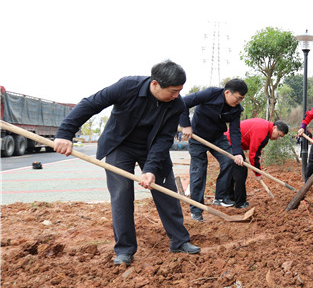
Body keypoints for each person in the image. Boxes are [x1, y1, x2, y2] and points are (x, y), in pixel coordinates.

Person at [53, 60, 200, 265]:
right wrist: (65, 133)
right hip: (120, 145)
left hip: (152, 148)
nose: (177, 95)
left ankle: (179, 240)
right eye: (173, 91)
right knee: (121, 194)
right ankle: (125, 250)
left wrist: (150, 169)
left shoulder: (177, 104)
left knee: (166, 191)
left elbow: (164, 138)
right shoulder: (127, 86)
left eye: (179, 91)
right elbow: (90, 104)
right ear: (155, 84)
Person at [180, 79, 247, 222]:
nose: (239, 101)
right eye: (238, 98)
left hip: (217, 137)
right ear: (227, 92)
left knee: (229, 160)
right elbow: (183, 103)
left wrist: (237, 153)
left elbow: (235, 131)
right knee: (198, 172)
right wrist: (185, 125)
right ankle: (196, 210)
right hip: (197, 136)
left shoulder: (236, 109)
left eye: (242, 99)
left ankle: (220, 197)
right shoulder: (210, 94)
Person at [225, 118, 289, 209]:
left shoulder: (266, 129)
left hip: (231, 141)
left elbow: (255, 152)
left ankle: (229, 198)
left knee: (235, 170)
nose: (278, 138)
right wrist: (258, 173)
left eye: (280, 137)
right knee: (240, 171)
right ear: (274, 128)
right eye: (279, 135)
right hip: (229, 141)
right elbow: (254, 155)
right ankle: (239, 203)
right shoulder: (262, 132)